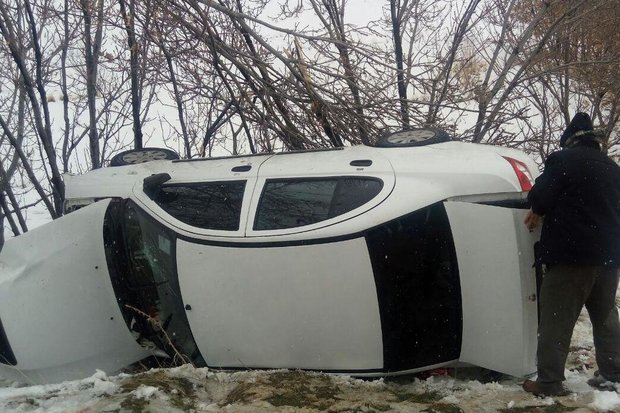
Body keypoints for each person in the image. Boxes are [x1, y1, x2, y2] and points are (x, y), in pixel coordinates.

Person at [523, 112, 620, 396]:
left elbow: (539, 197)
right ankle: (613, 374)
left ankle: (549, 383)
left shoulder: (563, 161)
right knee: (605, 316)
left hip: (572, 256)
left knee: (556, 318)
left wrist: (538, 210)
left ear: (569, 141)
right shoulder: (612, 168)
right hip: (609, 256)